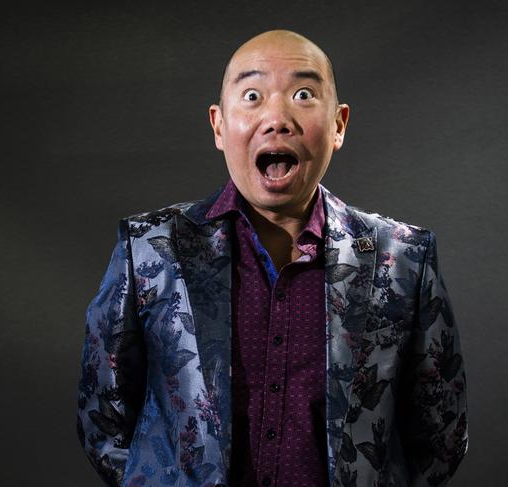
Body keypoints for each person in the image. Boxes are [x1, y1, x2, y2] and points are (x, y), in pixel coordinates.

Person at [76, 30, 468, 487]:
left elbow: (440, 434)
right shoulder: (150, 247)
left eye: (303, 94)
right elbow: (103, 417)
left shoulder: (402, 258)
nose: (277, 117)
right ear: (219, 126)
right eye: (252, 95)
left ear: (339, 124)